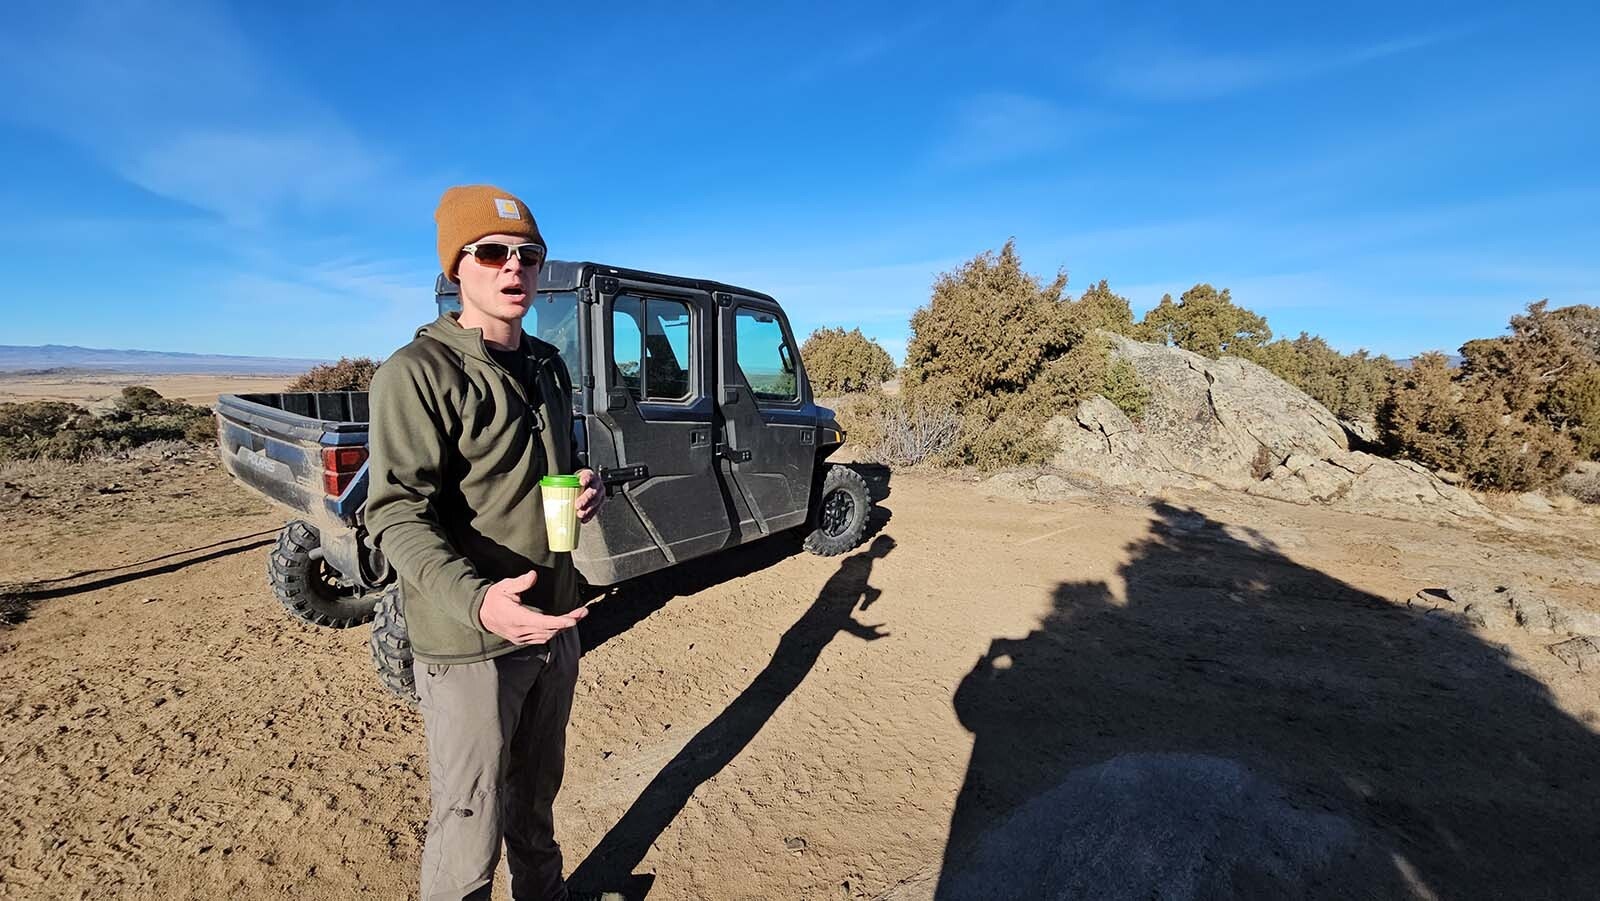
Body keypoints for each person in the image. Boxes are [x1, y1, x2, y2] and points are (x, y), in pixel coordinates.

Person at [366, 184, 604, 900]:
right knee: (469, 824)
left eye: (529, 254)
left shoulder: (548, 364)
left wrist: (580, 487)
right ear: (456, 267)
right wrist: (479, 602)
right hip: (472, 641)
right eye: (492, 252)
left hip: (554, 621)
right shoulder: (417, 373)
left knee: (535, 799)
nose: (514, 268)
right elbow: (395, 514)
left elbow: (542, 471)